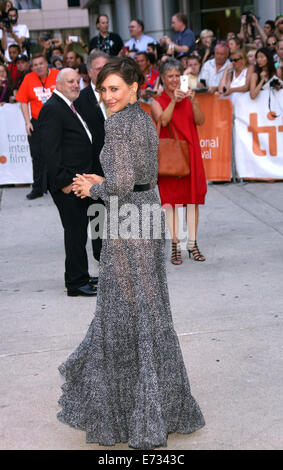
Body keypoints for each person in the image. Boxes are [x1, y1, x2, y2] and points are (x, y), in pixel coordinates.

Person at [57, 56, 205, 448]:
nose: (107, 97)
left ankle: (129, 414)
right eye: (103, 90)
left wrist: (94, 189)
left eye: (114, 89)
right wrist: (104, 180)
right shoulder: (141, 117)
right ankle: (166, 405)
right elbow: (137, 176)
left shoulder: (119, 124)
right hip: (149, 213)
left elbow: (121, 183)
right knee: (149, 309)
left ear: (135, 87)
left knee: (122, 312)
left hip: (128, 222)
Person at [38, 68, 98, 297]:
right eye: (70, 81)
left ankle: (80, 274)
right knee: (74, 232)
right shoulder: (53, 109)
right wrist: (64, 182)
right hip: (68, 183)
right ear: (58, 84)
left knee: (78, 231)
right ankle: (75, 283)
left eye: (77, 81)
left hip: (79, 181)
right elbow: (50, 151)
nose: (76, 85)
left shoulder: (68, 106)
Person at [151, 58, 207, 264]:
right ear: (163, 79)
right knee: (171, 201)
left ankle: (192, 243)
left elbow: (200, 120)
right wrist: (174, 100)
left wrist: (193, 101)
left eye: (177, 75)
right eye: (170, 76)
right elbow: (163, 121)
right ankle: (175, 244)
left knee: (193, 200)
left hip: (191, 154)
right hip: (170, 159)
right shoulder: (157, 101)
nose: (174, 80)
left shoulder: (189, 97)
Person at [74, 50, 109, 262]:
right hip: (93, 166)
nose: (104, 71)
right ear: (89, 72)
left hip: (118, 166)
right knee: (98, 212)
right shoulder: (80, 100)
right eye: (98, 68)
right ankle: (101, 254)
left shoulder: (119, 94)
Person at [15, 53, 59, 199]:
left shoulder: (58, 75)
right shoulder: (28, 78)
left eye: (41, 63)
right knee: (37, 155)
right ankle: (38, 188)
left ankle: (58, 185)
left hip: (56, 122)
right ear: (32, 67)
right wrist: (27, 122)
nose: (38, 67)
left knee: (58, 154)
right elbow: (23, 101)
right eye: (35, 65)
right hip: (37, 122)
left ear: (47, 63)